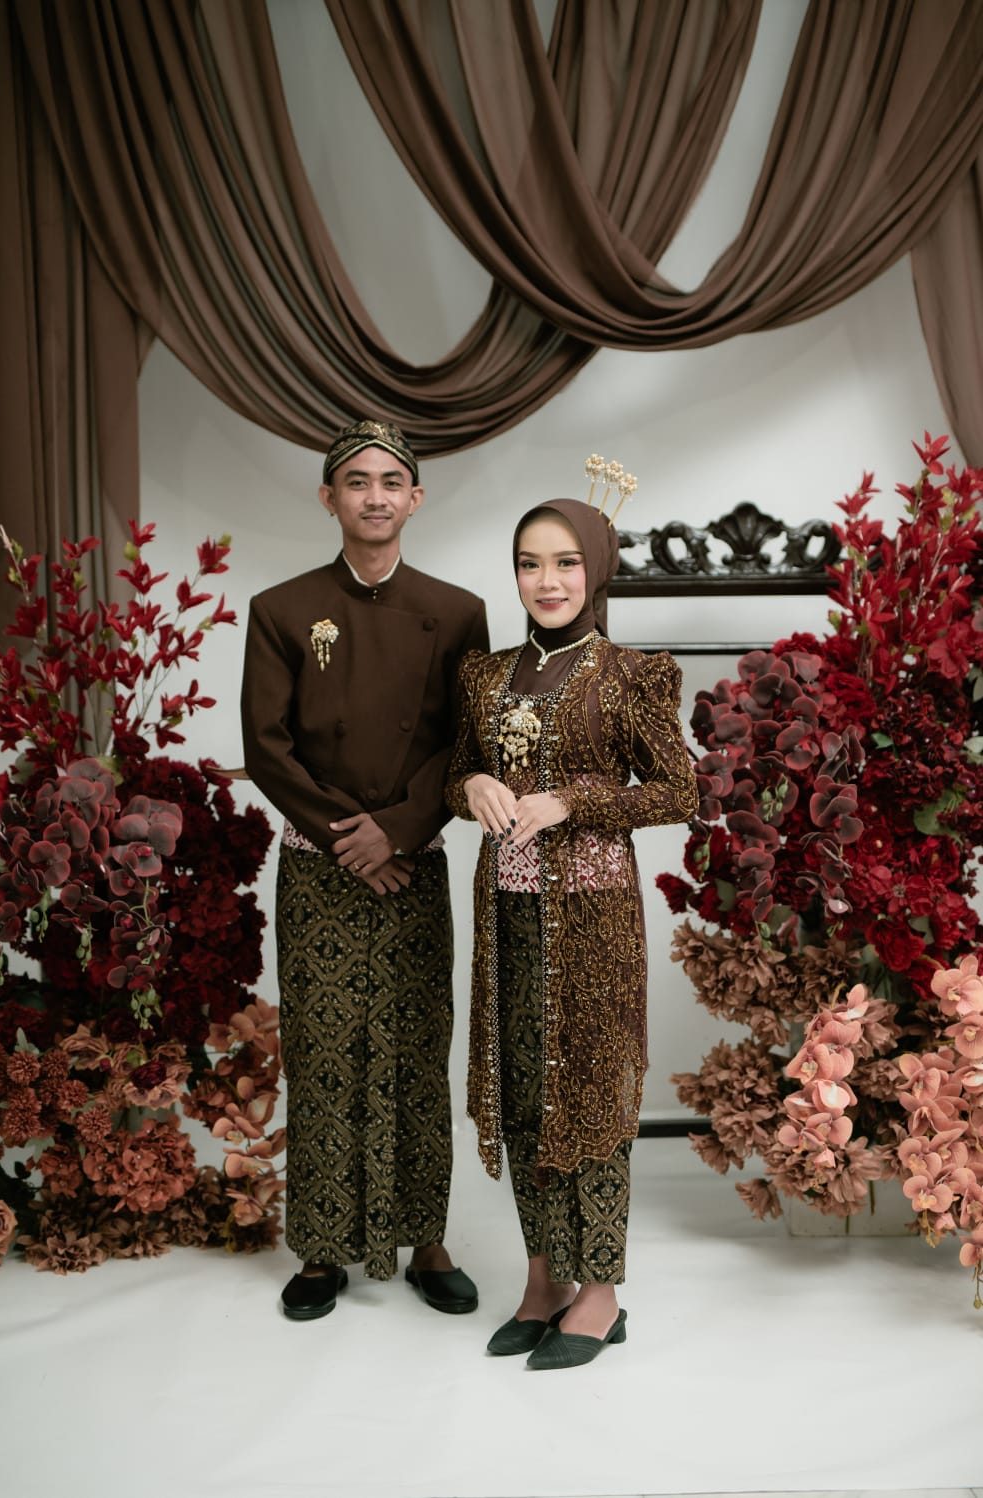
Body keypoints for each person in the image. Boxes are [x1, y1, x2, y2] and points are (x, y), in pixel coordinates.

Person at [241, 418, 489, 1321]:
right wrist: (351, 838)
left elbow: (465, 741)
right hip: (320, 868)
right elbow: (266, 748)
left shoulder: (458, 611)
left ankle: (428, 1239)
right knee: (322, 1052)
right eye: (357, 481)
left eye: (391, 481)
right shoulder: (280, 609)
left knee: (420, 1048)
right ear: (329, 498)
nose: (374, 496)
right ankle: (320, 1248)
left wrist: (400, 831)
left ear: (415, 499)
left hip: (413, 862)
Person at [445, 492, 698, 1369]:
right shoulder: (484, 676)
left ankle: (600, 1292)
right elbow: (453, 774)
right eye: (529, 563)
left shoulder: (631, 674)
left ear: (596, 569)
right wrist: (473, 784)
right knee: (524, 1090)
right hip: (508, 913)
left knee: (589, 1093)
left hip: (594, 918)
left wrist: (572, 800)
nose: (546, 581)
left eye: (565, 562)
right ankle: (544, 1279)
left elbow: (677, 791)